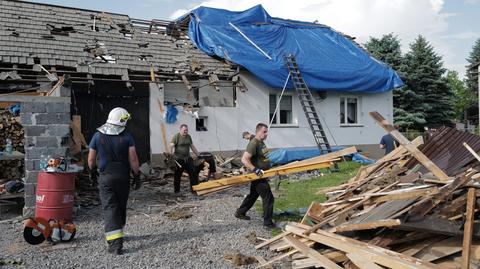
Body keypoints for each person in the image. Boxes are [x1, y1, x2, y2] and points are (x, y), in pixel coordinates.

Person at [88, 107, 140, 255]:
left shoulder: (98, 136)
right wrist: (137, 175)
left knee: (110, 207)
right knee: (121, 204)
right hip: (123, 176)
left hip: (106, 177)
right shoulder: (128, 136)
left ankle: (115, 244)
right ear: (121, 121)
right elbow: (133, 158)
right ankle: (119, 230)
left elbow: (91, 159)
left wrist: (91, 172)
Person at [235, 123, 275, 228]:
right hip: (257, 176)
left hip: (262, 174)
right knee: (268, 198)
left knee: (253, 195)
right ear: (258, 132)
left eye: (267, 132)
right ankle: (268, 223)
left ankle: (240, 212)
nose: (266, 134)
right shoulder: (254, 143)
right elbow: (244, 159)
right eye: (264, 132)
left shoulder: (260, 141)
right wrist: (256, 170)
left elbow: (251, 136)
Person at [169, 124, 200, 193]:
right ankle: (177, 191)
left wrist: (198, 154)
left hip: (187, 158)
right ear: (180, 130)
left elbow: (192, 146)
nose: (186, 131)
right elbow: (171, 145)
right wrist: (170, 154)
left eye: (187, 130)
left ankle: (194, 190)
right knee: (178, 175)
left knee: (193, 172)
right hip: (179, 159)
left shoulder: (188, 137)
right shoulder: (176, 136)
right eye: (184, 130)